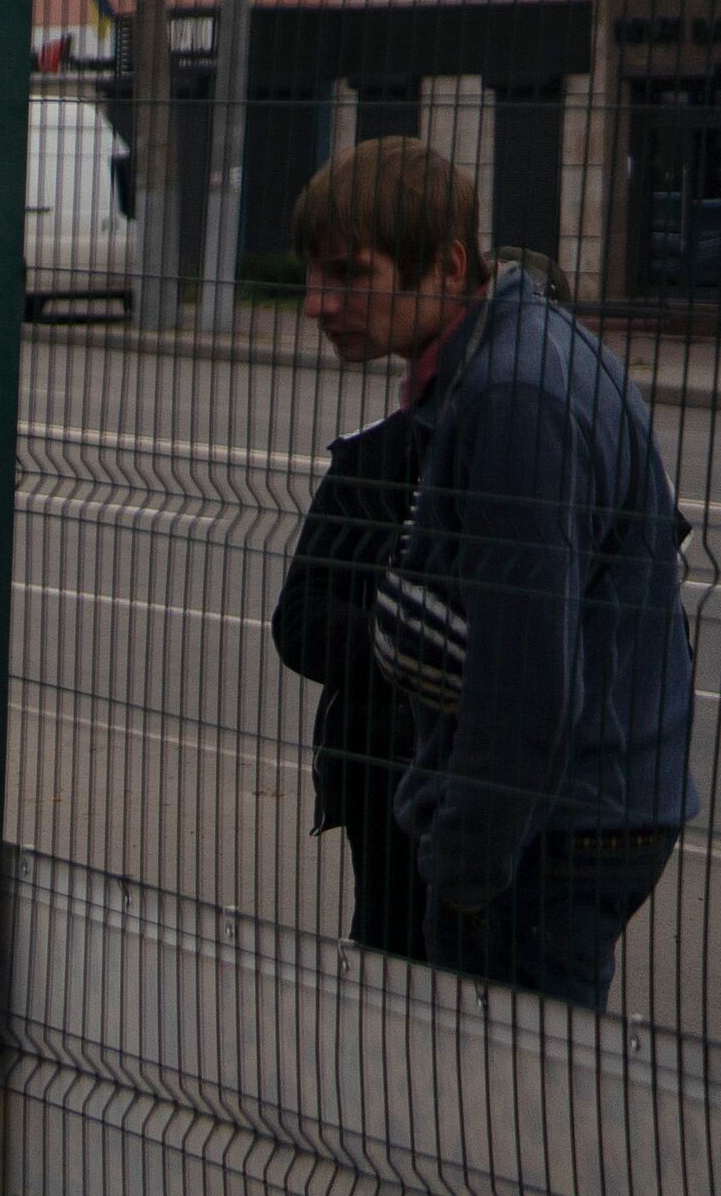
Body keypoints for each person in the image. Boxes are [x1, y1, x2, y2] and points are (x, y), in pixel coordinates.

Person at [284, 134, 695, 1009]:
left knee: (502, 1112)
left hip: (555, 827)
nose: (319, 304)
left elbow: (526, 673)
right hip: (573, 809)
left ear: (447, 265)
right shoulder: (507, 364)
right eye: (314, 275)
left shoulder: (514, 398)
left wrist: (463, 865)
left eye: (352, 274)